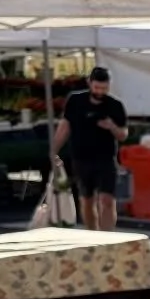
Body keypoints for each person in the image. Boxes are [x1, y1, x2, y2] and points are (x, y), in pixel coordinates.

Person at [53, 65, 127, 230]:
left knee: (107, 200)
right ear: (89, 83)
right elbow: (65, 126)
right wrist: (53, 150)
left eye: (104, 88)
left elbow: (123, 134)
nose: (100, 92)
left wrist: (111, 126)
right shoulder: (75, 101)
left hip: (105, 158)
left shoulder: (115, 105)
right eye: (97, 87)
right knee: (87, 199)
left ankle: (107, 237)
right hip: (81, 157)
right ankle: (92, 234)